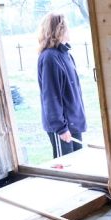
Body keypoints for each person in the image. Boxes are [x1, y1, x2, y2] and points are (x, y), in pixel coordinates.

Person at [37, 13, 87, 158]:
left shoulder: (66, 55)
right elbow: (51, 97)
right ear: (59, 30)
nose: (69, 30)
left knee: (78, 165)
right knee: (66, 168)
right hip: (62, 126)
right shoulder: (50, 58)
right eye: (67, 27)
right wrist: (61, 128)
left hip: (74, 123)